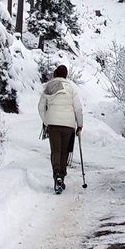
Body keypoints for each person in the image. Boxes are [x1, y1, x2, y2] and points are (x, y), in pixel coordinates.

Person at [38, 63, 84, 194]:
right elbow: (78, 108)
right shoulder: (71, 88)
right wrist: (79, 124)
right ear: (66, 75)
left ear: (56, 74)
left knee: (55, 151)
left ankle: (57, 175)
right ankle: (61, 177)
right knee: (64, 152)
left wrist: (47, 121)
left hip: (53, 124)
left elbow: (41, 106)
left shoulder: (49, 86)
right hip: (68, 125)